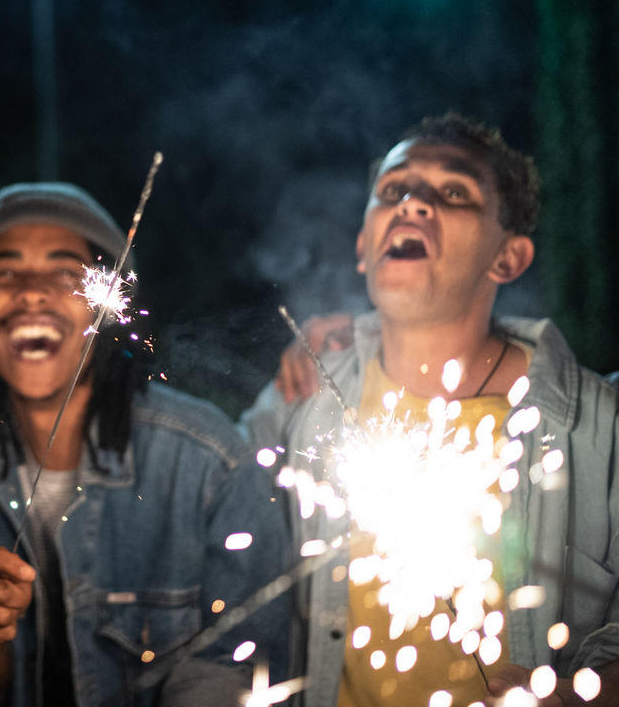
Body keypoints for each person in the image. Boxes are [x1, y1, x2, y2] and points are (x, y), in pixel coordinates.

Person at [241, 113, 619, 706]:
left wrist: (581, 696)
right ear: (365, 247)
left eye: (453, 192)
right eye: (394, 190)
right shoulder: (305, 398)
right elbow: (205, 512)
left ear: (508, 258)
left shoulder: (601, 430)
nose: (412, 202)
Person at [0, 182, 291, 706]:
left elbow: (236, 669)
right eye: (6, 273)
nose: (30, 292)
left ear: (110, 307)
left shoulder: (209, 464)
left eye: (65, 273)